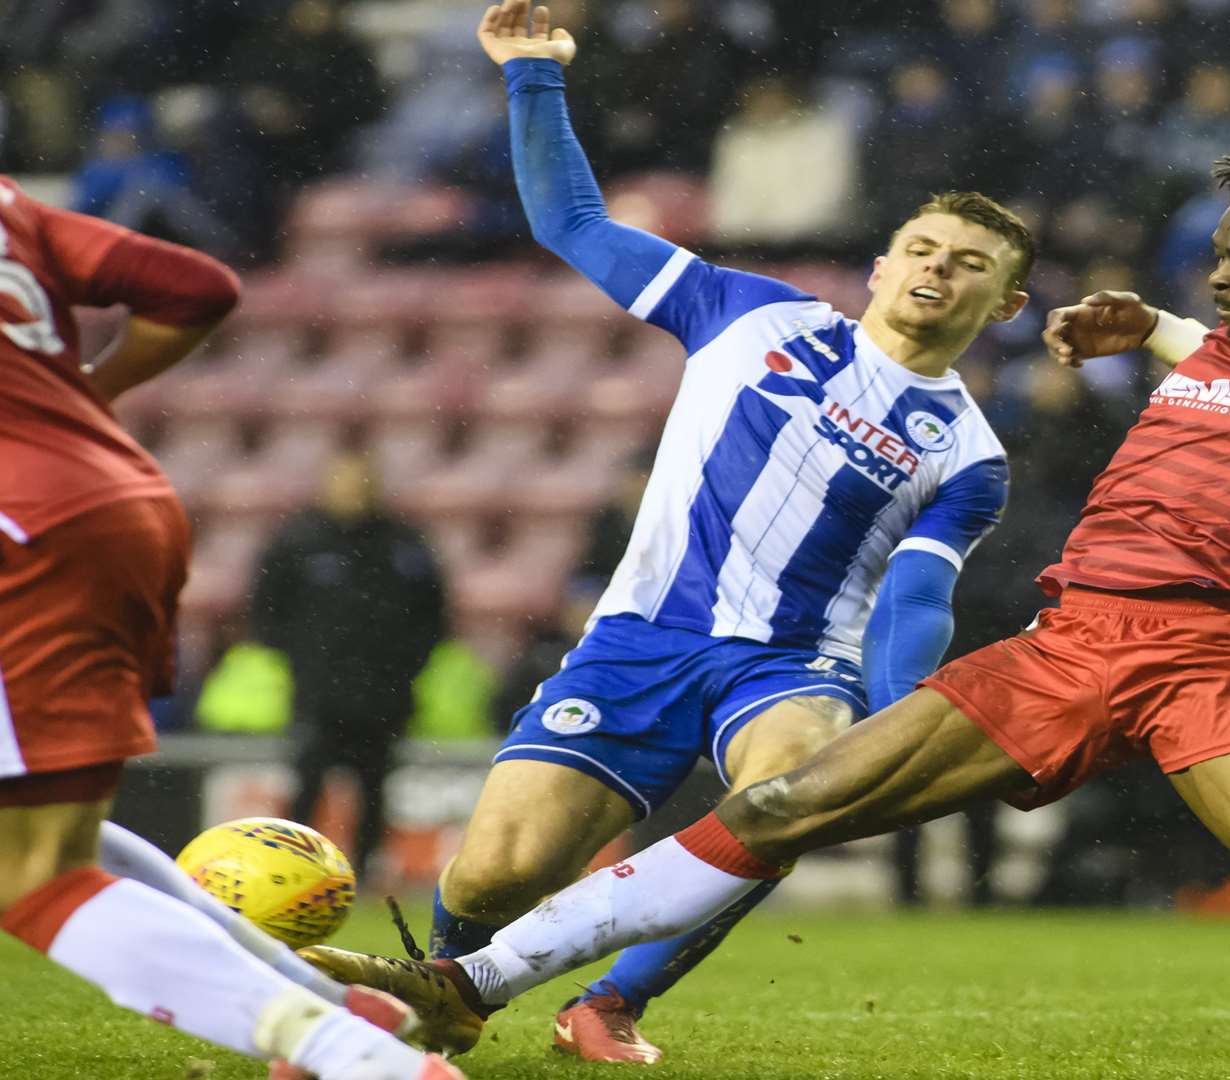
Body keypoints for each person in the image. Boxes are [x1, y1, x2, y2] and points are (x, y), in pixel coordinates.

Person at [304, 100, 1230, 1073]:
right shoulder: (1214, 353)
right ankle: (478, 988)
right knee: (774, 807)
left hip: (1218, 659)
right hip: (1070, 639)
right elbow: (1212, 370)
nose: (1229, 277)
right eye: (1224, 255)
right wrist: (1150, 326)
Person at [318, 0, 1028, 1065]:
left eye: (971, 262)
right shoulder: (751, 313)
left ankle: (608, 1004)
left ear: (1007, 303)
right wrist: (534, 76)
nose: (938, 267)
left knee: (787, 793)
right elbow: (573, 228)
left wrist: (895, 720)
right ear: (879, 265)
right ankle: (450, 989)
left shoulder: (968, 453)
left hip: (792, 667)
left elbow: (918, 595)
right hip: (645, 636)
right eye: (921, 246)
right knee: (494, 870)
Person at [0, 178, 458, 1080]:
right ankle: (334, 1002)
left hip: (19, 526)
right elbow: (197, 287)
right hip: (114, 495)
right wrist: (81, 398)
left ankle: (354, 1055)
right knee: (40, 830)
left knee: (35, 873)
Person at [251, 447, 449, 872]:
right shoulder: (298, 541)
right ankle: (290, 866)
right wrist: (304, 660)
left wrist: (405, 665)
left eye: (362, 483)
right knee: (307, 782)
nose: (354, 493)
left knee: (376, 786)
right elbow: (266, 610)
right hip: (318, 693)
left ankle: (364, 871)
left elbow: (433, 614)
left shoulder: (403, 543)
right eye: (344, 483)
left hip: (384, 691)